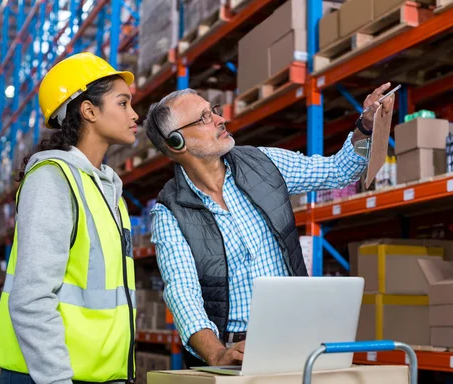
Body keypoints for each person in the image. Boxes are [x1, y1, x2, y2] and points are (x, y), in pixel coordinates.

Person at [144, 83, 394, 367]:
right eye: (204, 118)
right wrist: (216, 353)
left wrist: (365, 126)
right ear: (177, 143)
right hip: (238, 353)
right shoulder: (170, 213)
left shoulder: (264, 163)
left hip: (300, 340)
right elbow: (182, 292)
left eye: (213, 110)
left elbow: (337, 170)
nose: (220, 119)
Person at [0, 52, 139, 384]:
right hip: (42, 382)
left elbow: (111, 295)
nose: (134, 115)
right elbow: (31, 298)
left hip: (83, 379)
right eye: (123, 102)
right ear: (89, 111)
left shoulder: (107, 190)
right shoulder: (53, 180)